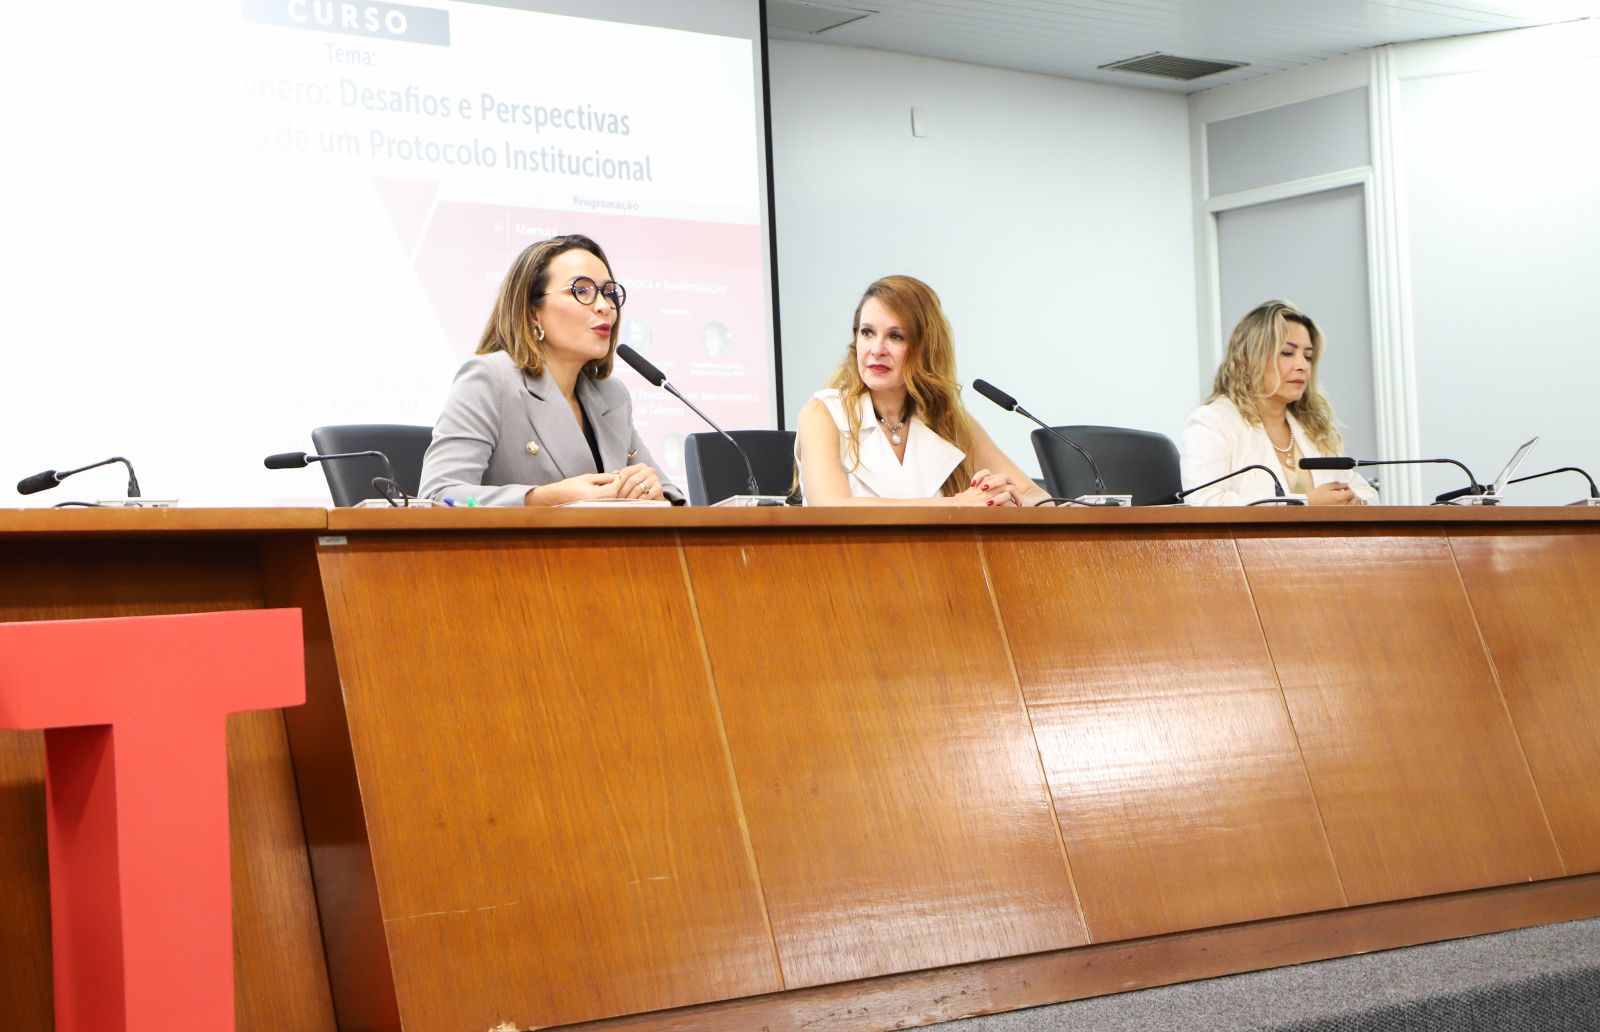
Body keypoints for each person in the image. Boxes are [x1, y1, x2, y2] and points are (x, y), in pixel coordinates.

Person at [419, 234, 680, 505]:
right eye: (582, 291)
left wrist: (655, 494)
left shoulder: (611, 394)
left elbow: (672, 497)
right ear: (533, 312)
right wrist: (547, 498)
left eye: (609, 292)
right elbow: (438, 494)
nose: (605, 306)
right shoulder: (490, 380)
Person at [795, 275, 1050, 507]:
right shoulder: (823, 414)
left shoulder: (949, 421)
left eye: (895, 336)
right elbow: (830, 507)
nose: (877, 349)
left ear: (925, 348)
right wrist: (956, 506)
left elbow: (1041, 499)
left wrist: (1008, 499)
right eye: (867, 333)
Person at [1181, 300, 1377, 506]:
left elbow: (1365, 491)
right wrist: (1306, 503)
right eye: (1287, 353)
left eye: (1308, 356)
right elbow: (1203, 502)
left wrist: (1356, 502)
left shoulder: (1313, 427)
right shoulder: (1212, 422)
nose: (1302, 366)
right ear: (1246, 359)